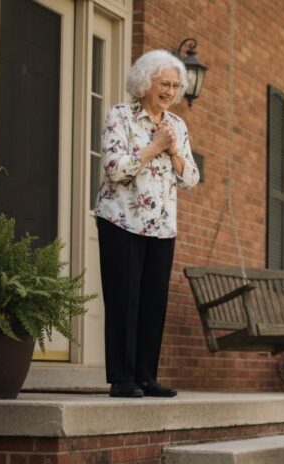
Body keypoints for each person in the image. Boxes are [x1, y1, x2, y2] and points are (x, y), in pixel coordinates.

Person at [94, 50, 200, 398]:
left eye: (175, 85)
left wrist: (174, 152)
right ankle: (122, 378)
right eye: (164, 84)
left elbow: (191, 180)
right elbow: (114, 168)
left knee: (153, 301)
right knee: (124, 299)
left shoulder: (177, 126)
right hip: (121, 220)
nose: (170, 91)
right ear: (145, 83)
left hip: (162, 226)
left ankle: (146, 375)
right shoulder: (120, 116)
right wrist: (155, 147)